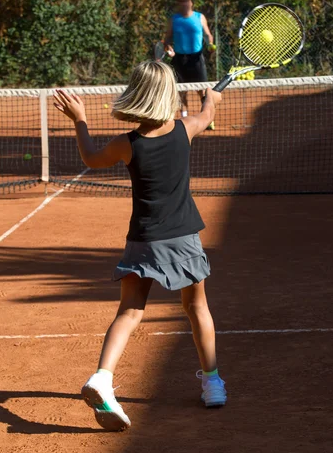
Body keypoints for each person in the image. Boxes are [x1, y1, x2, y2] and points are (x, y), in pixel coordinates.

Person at [53, 61, 226, 432]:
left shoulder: (125, 145)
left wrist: (79, 119)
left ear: (136, 94)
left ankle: (102, 376)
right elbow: (207, 112)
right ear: (169, 95)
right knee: (197, 307)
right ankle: (212, 384)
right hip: (183, 238)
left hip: (142, 239)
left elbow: (90, 158)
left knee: (129, 312)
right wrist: (211, 99)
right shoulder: (185, 130)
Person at [164, 0, 216, 129]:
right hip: (179, 59)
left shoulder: (200, 17)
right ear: (178, 4)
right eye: (181, 1)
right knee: (181, 91)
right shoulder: (174, 20)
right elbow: (167, 38)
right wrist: (168, 47)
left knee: (203, 91)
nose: (184, 4)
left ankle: (208, 118)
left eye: (186, 1)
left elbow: (208, 35)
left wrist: (210, 44)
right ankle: (184, 118)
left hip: (196, 58)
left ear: (191, 3)